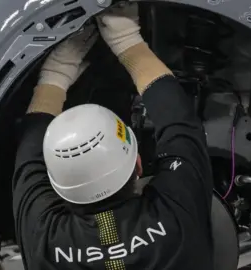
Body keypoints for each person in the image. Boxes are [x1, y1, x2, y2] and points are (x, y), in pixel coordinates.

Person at [12, 3, 214, 269]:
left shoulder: (45, 237)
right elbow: (180, 124)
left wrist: (58, 71)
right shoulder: (176, 214)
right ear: (138, 163)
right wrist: (125, 39)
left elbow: (182, 128)